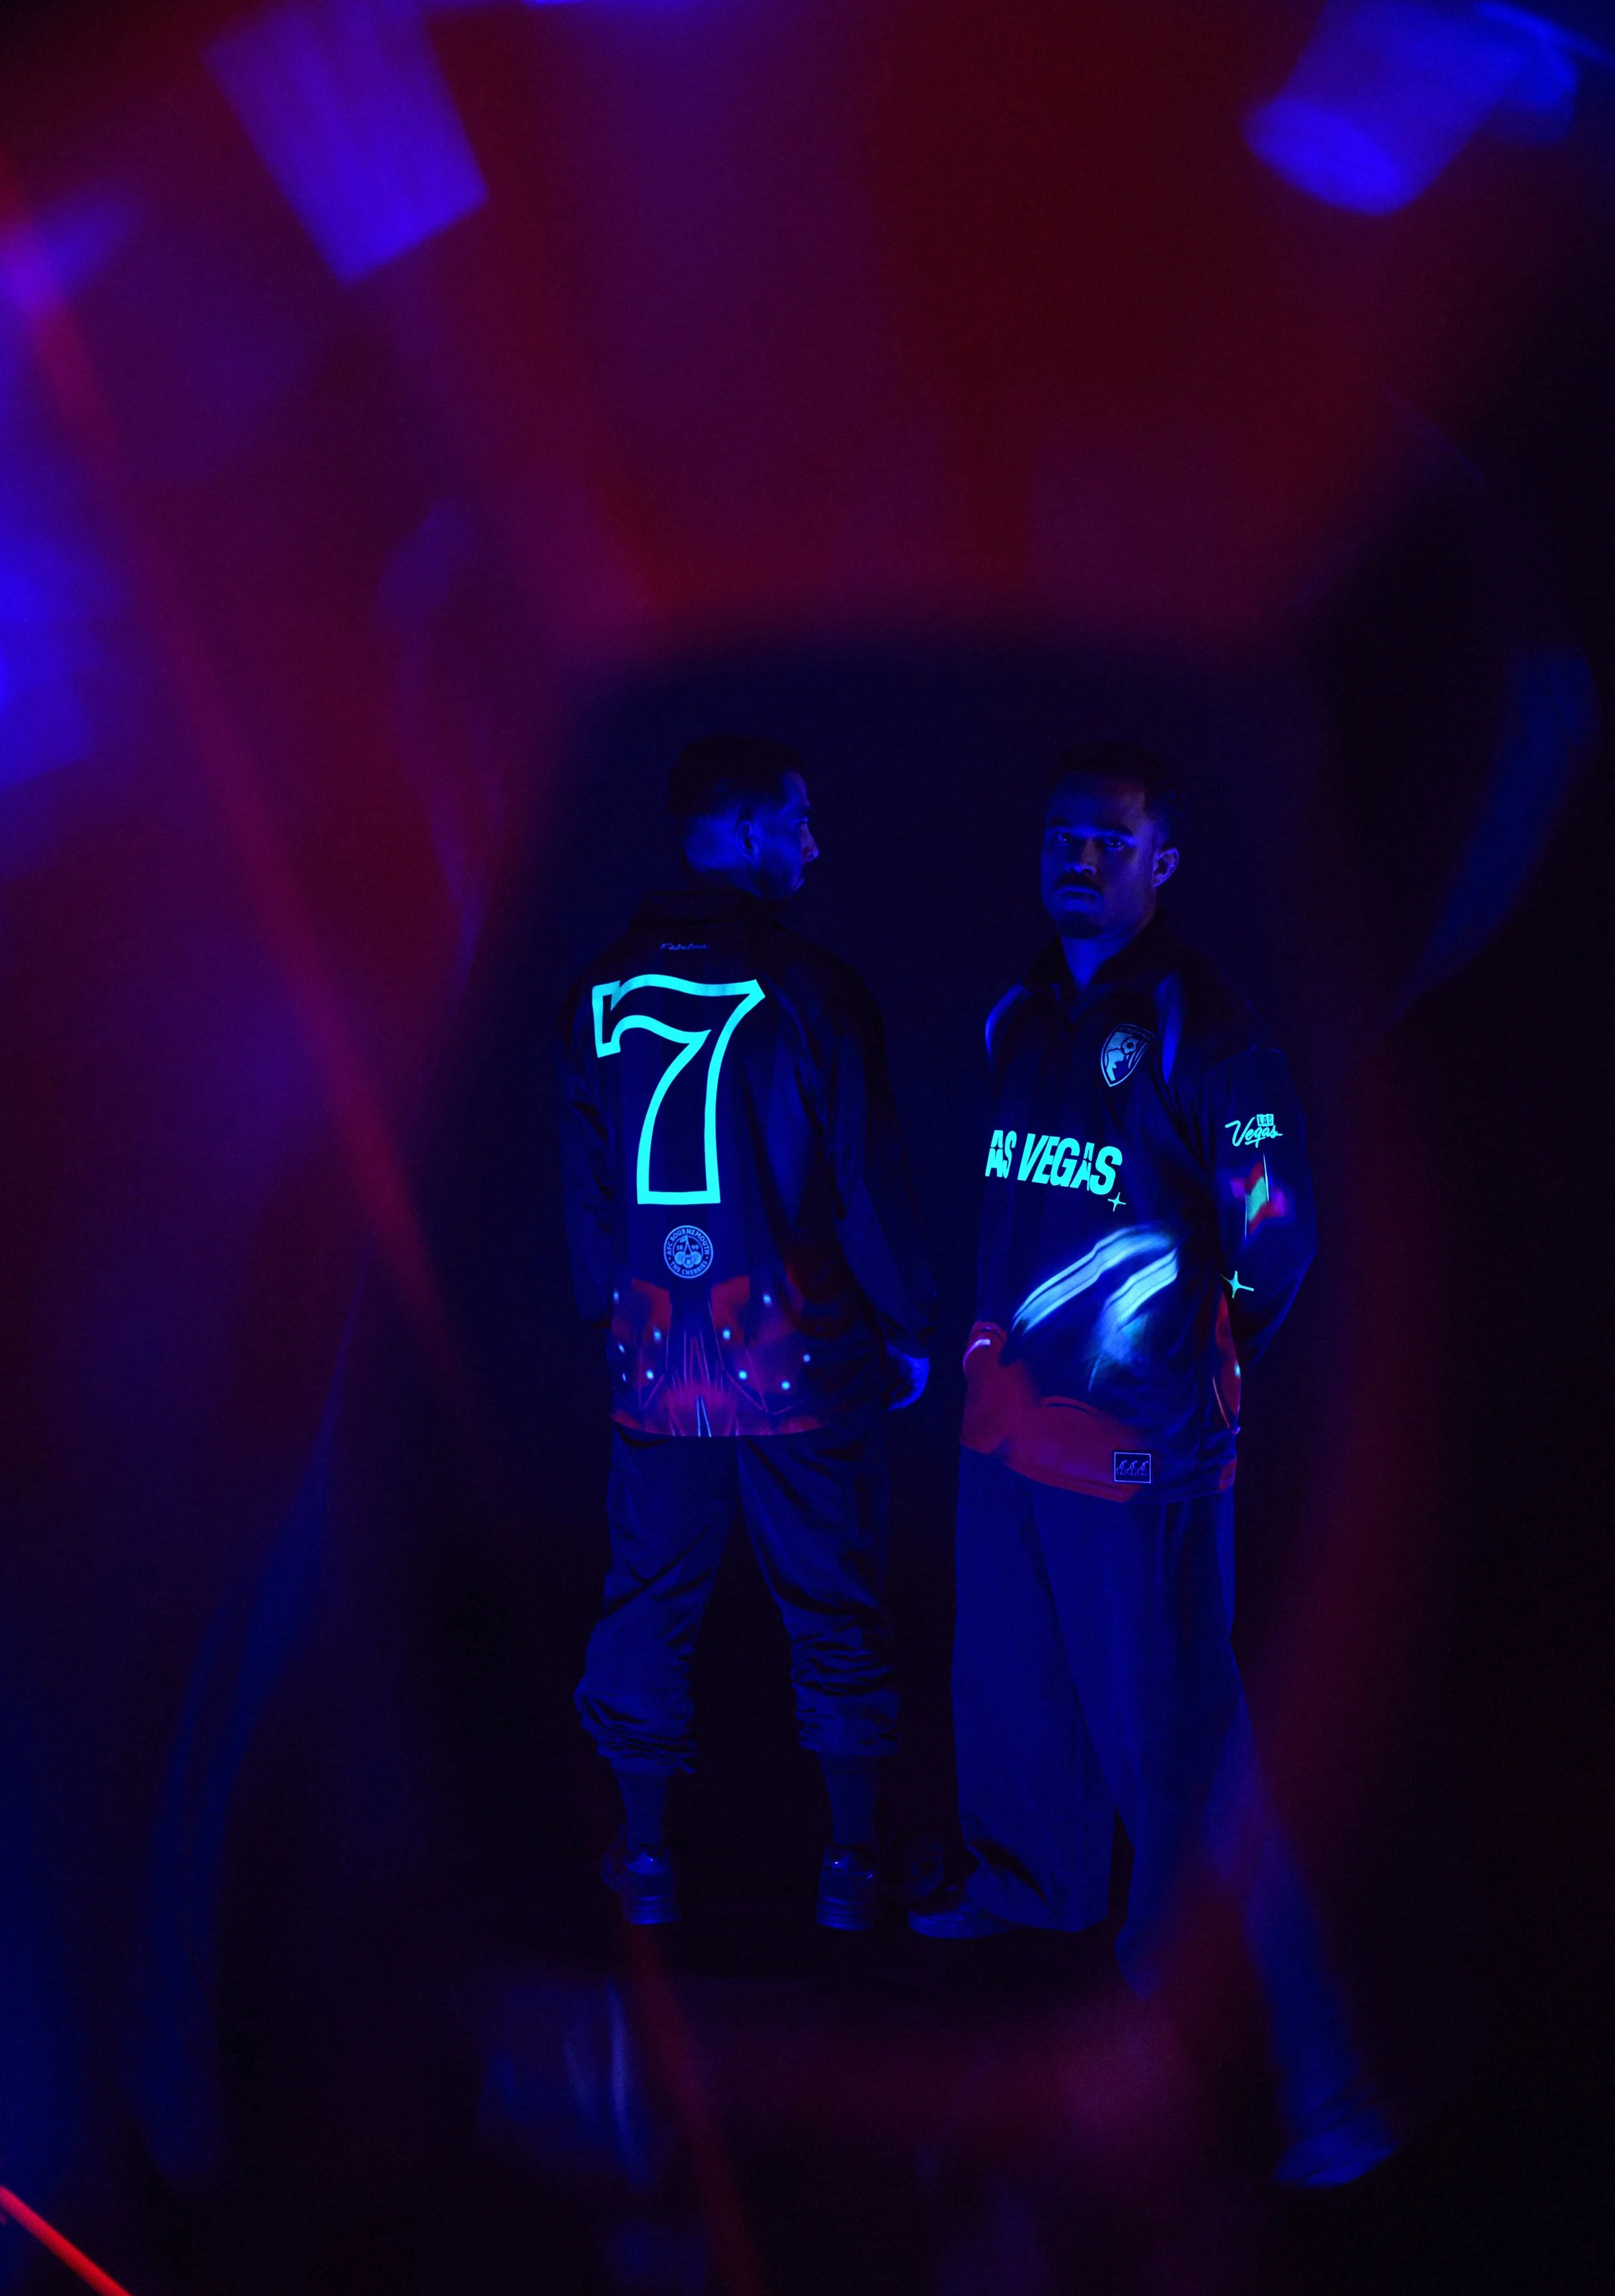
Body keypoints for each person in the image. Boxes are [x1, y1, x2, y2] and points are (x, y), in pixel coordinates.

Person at [911, 742, 1391, 2186]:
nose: (1077, 858)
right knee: (1010, 1688)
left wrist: (1200, 1360)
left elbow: (1276, 1234)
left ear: (1159, 864)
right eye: (1061, 835)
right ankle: (1031, 1882)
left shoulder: (1207, 1028)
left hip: (1140, 1453)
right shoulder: (1017, 1013)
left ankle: (1303, 2071)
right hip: (1008, 1432)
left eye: (1107, 841)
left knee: (1183, 1746)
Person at [557, 734, 935, 1932]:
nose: (816, 842)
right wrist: (910, 1324)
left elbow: (590, 1195)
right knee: (835, 1599)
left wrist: (613, 1319)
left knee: (647, 1600)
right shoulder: (815, 988)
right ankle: (853, 1868)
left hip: (655, 1359)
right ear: (742, 832)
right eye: (798, 819)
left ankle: (648, 1865)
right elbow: (865, 1182)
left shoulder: (596, 991)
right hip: (802, 1353)